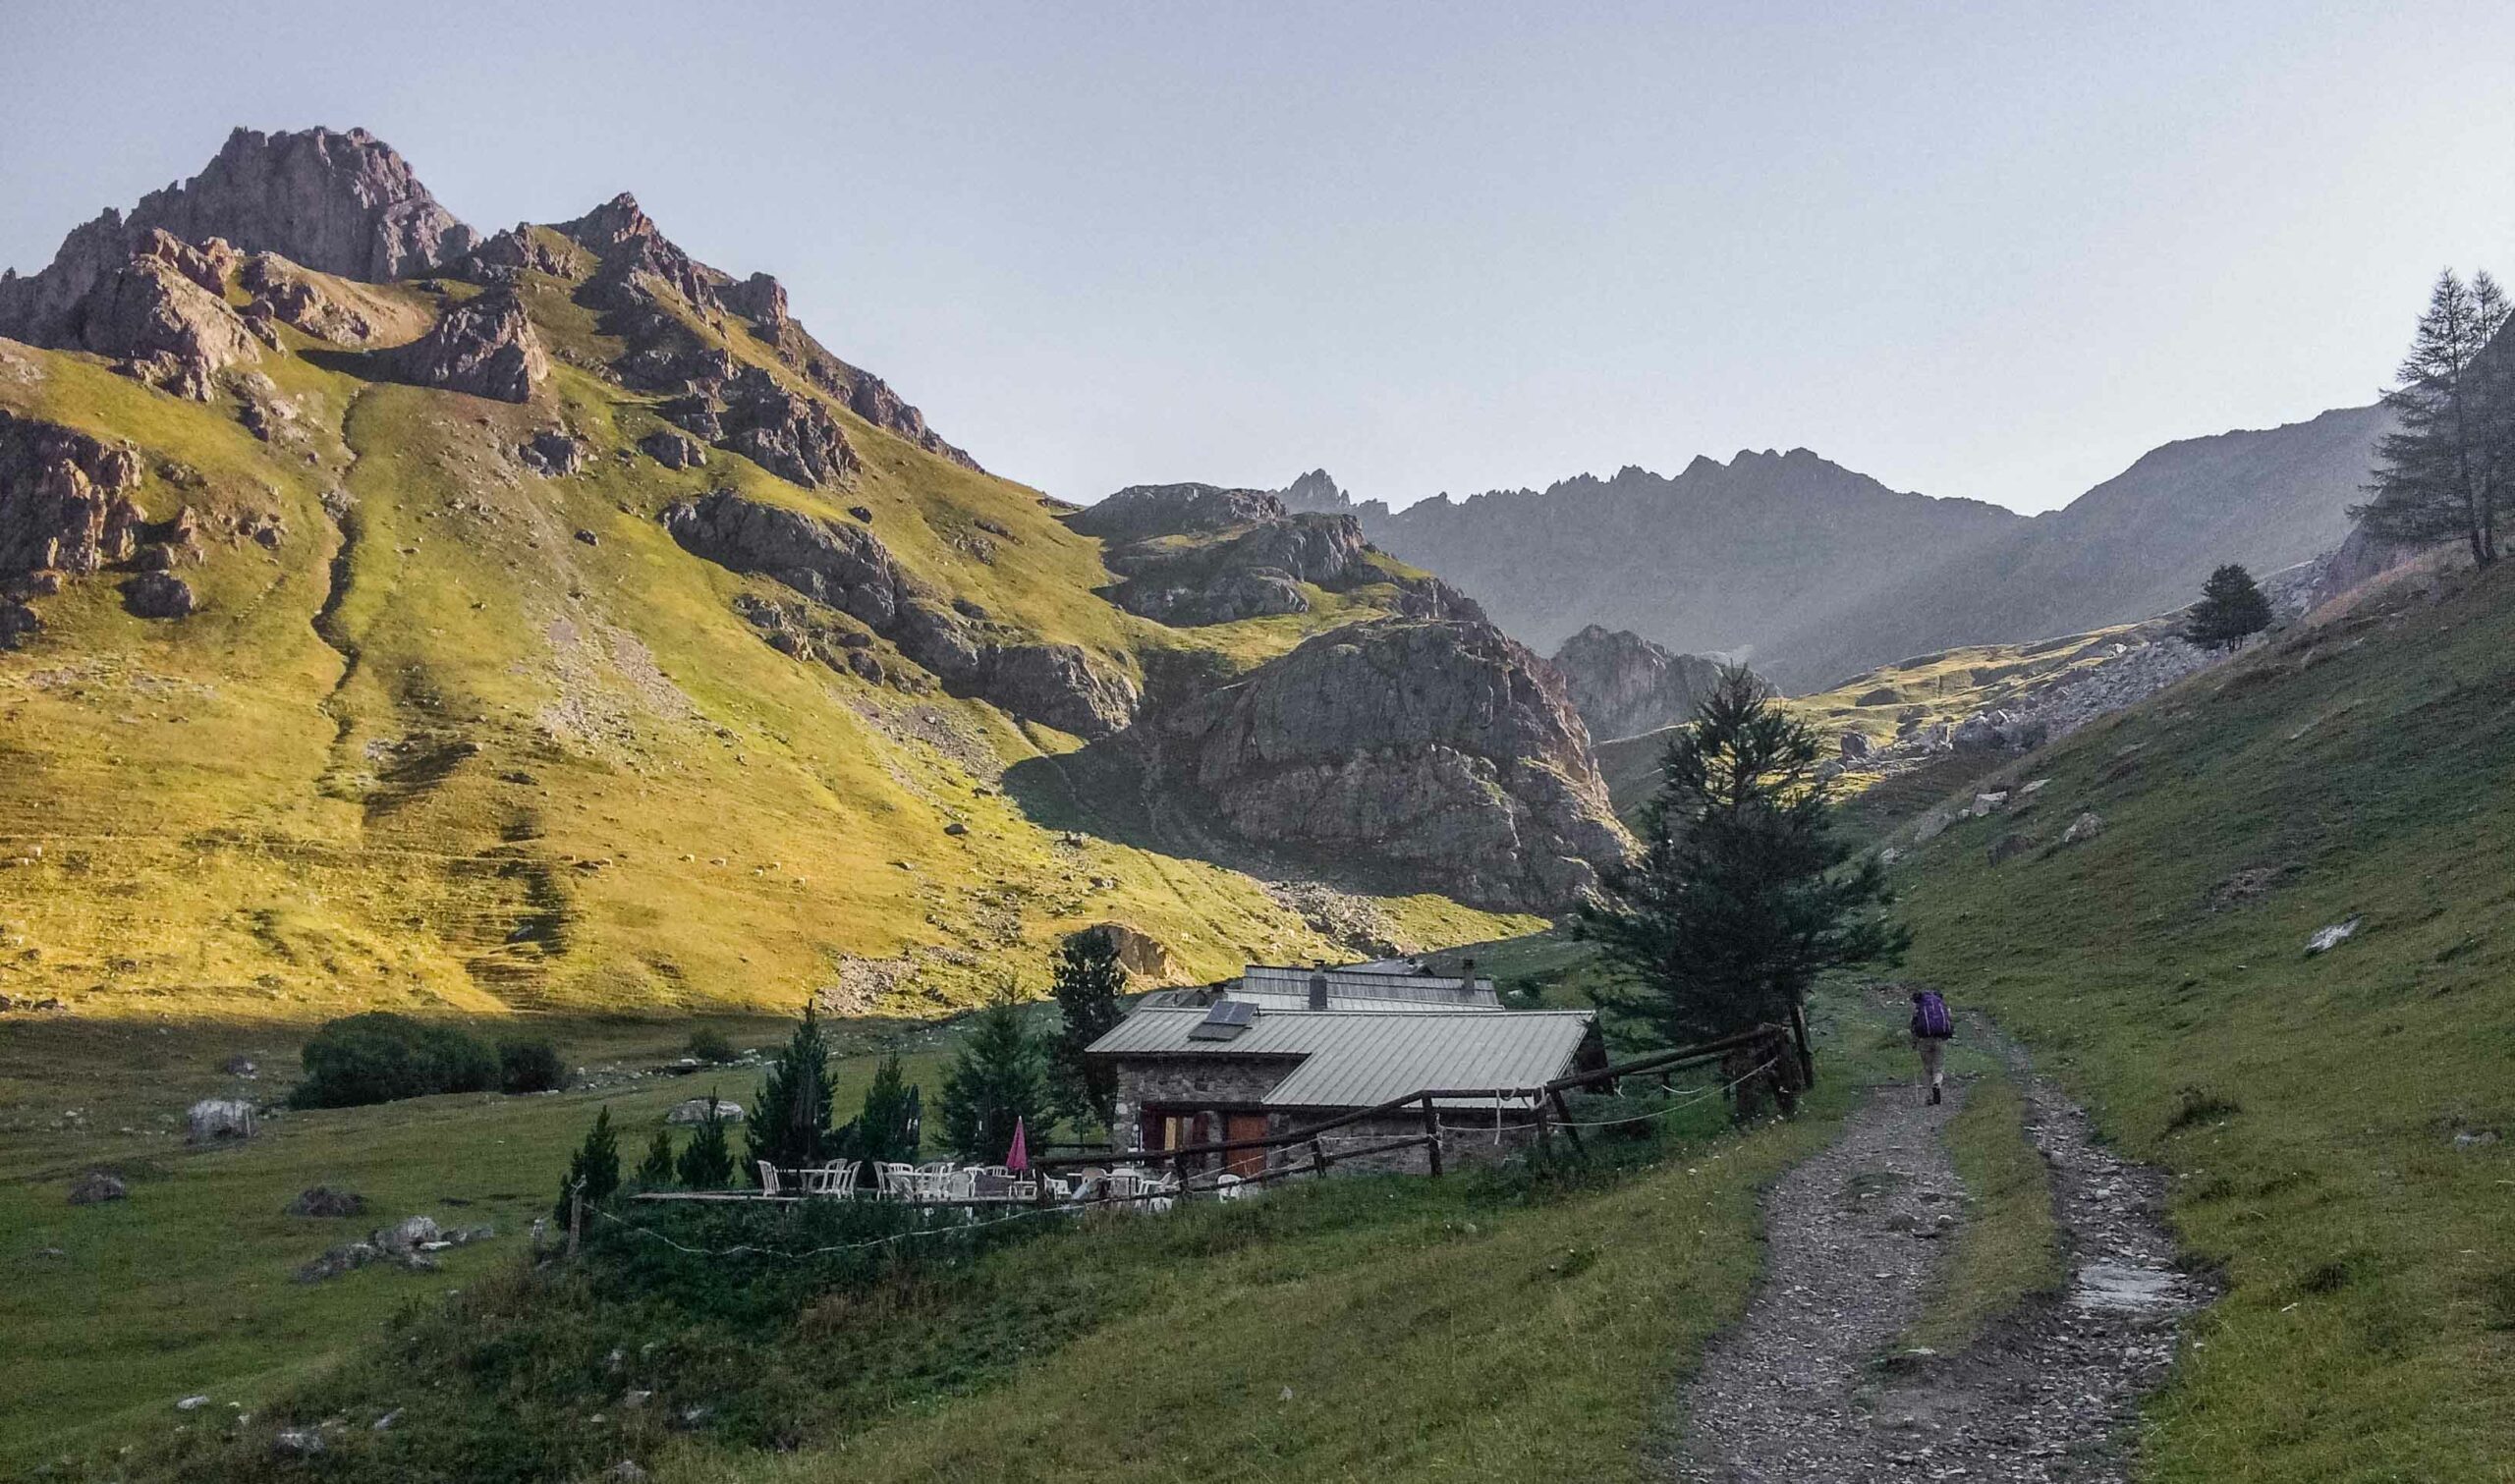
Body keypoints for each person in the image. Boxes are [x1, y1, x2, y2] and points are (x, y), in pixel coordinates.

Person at [1909, 988, 1954, 1104]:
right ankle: (1937, 1084)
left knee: (1927, 1067)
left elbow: (1914, 1025)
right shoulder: (1941, 1004)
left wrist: (1914, 1042)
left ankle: (1928, 1096)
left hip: (1924, 1040)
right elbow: (1949, 1020)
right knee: (1938, 1066)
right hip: (1940, 1039)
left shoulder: (1919, 1007)